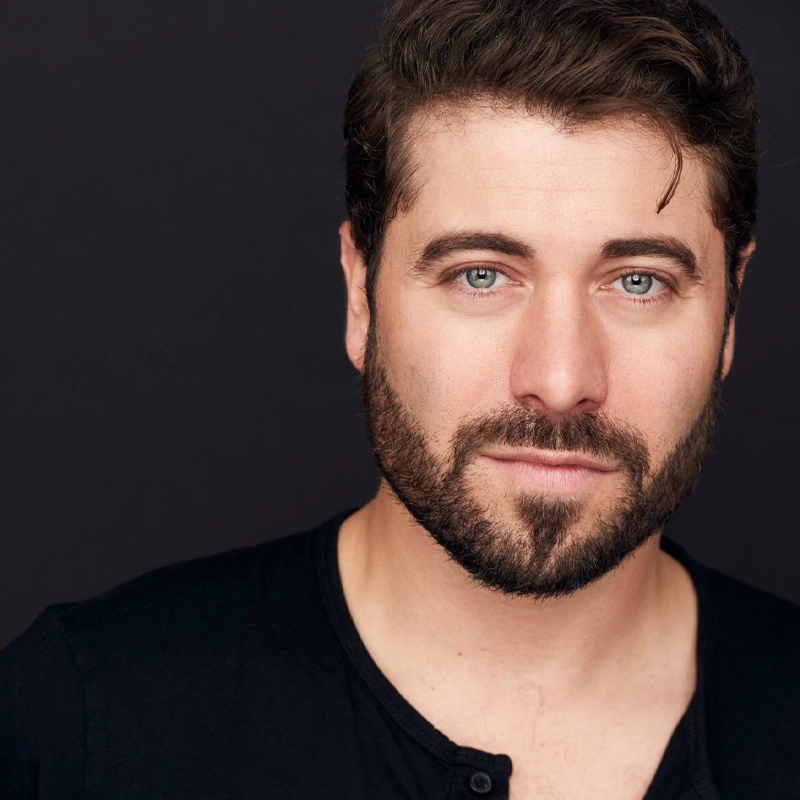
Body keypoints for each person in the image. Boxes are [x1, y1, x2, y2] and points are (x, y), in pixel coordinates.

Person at [1, 0, 798, 797]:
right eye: (480, 274)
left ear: (730, 309)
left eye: (638, 282)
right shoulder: (80, 725)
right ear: (361, 294)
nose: (560, 382)